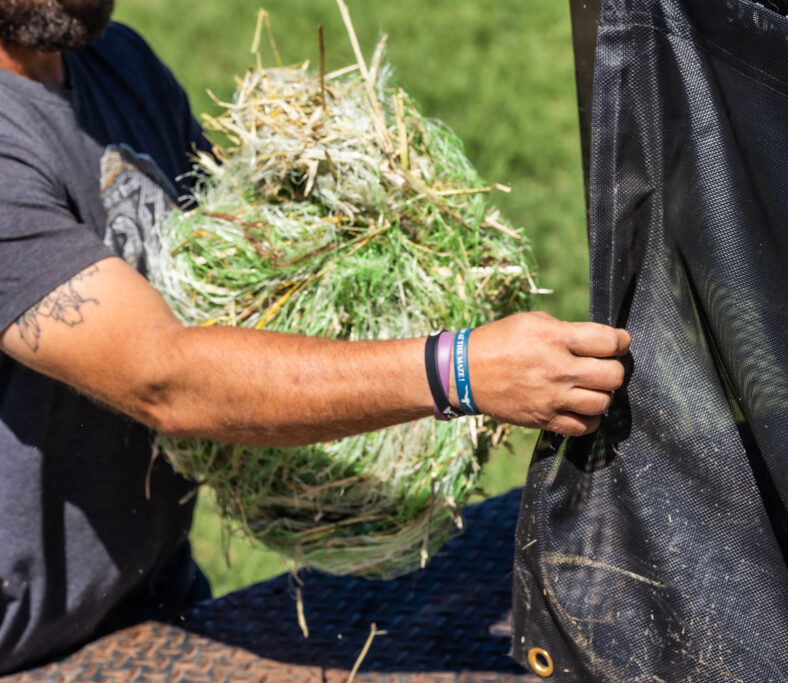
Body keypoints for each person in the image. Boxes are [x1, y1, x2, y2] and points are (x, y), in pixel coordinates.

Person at [0, 0, 629, 673]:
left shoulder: (119, 65)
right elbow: (165, 376)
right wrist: (461, 371)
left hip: (153, 611)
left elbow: (239, 276)